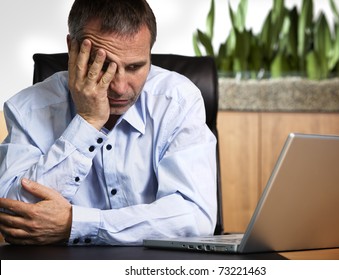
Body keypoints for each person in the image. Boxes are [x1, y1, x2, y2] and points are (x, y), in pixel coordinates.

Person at [0, 0, 217, 245]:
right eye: (103, 65)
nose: (120, 87)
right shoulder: (28, 109)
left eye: (135, 67)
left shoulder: (178, 101)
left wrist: (76, 223)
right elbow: (13, 215)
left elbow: (194, 217)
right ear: (73, 48)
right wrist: (87, 122)